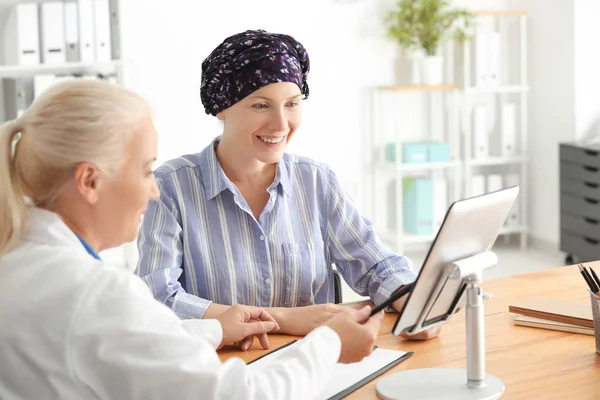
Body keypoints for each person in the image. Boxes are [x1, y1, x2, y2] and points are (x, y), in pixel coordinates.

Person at [0, 80, 384, 400]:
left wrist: (215, 328)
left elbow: (126, 338)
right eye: (146, 171)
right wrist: (328, 343)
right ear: (89, 181)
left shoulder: (20, 263)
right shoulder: (95, 293)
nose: (154, 191)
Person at [136, 29, 440, 339]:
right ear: (221, 107)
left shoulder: (316, 180)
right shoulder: (171, 186)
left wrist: (414, 302)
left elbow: (376, 265)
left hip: (317, 363)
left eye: (292, 104)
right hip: (224, 370)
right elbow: (158, 297)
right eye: (260, 106)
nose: (281, 124)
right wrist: (283, 319)